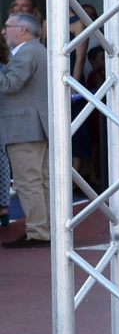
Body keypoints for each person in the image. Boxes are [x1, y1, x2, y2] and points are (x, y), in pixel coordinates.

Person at [0, 13, 48, 248]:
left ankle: (38, 231)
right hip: (34, 127)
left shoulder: (27, 52)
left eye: (7, 26)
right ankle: (45, 229)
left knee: (29, 182)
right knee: (41, 181)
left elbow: (10, 85)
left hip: (24, 128)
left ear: (22, 30)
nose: (3, 31)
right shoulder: (36, 50)